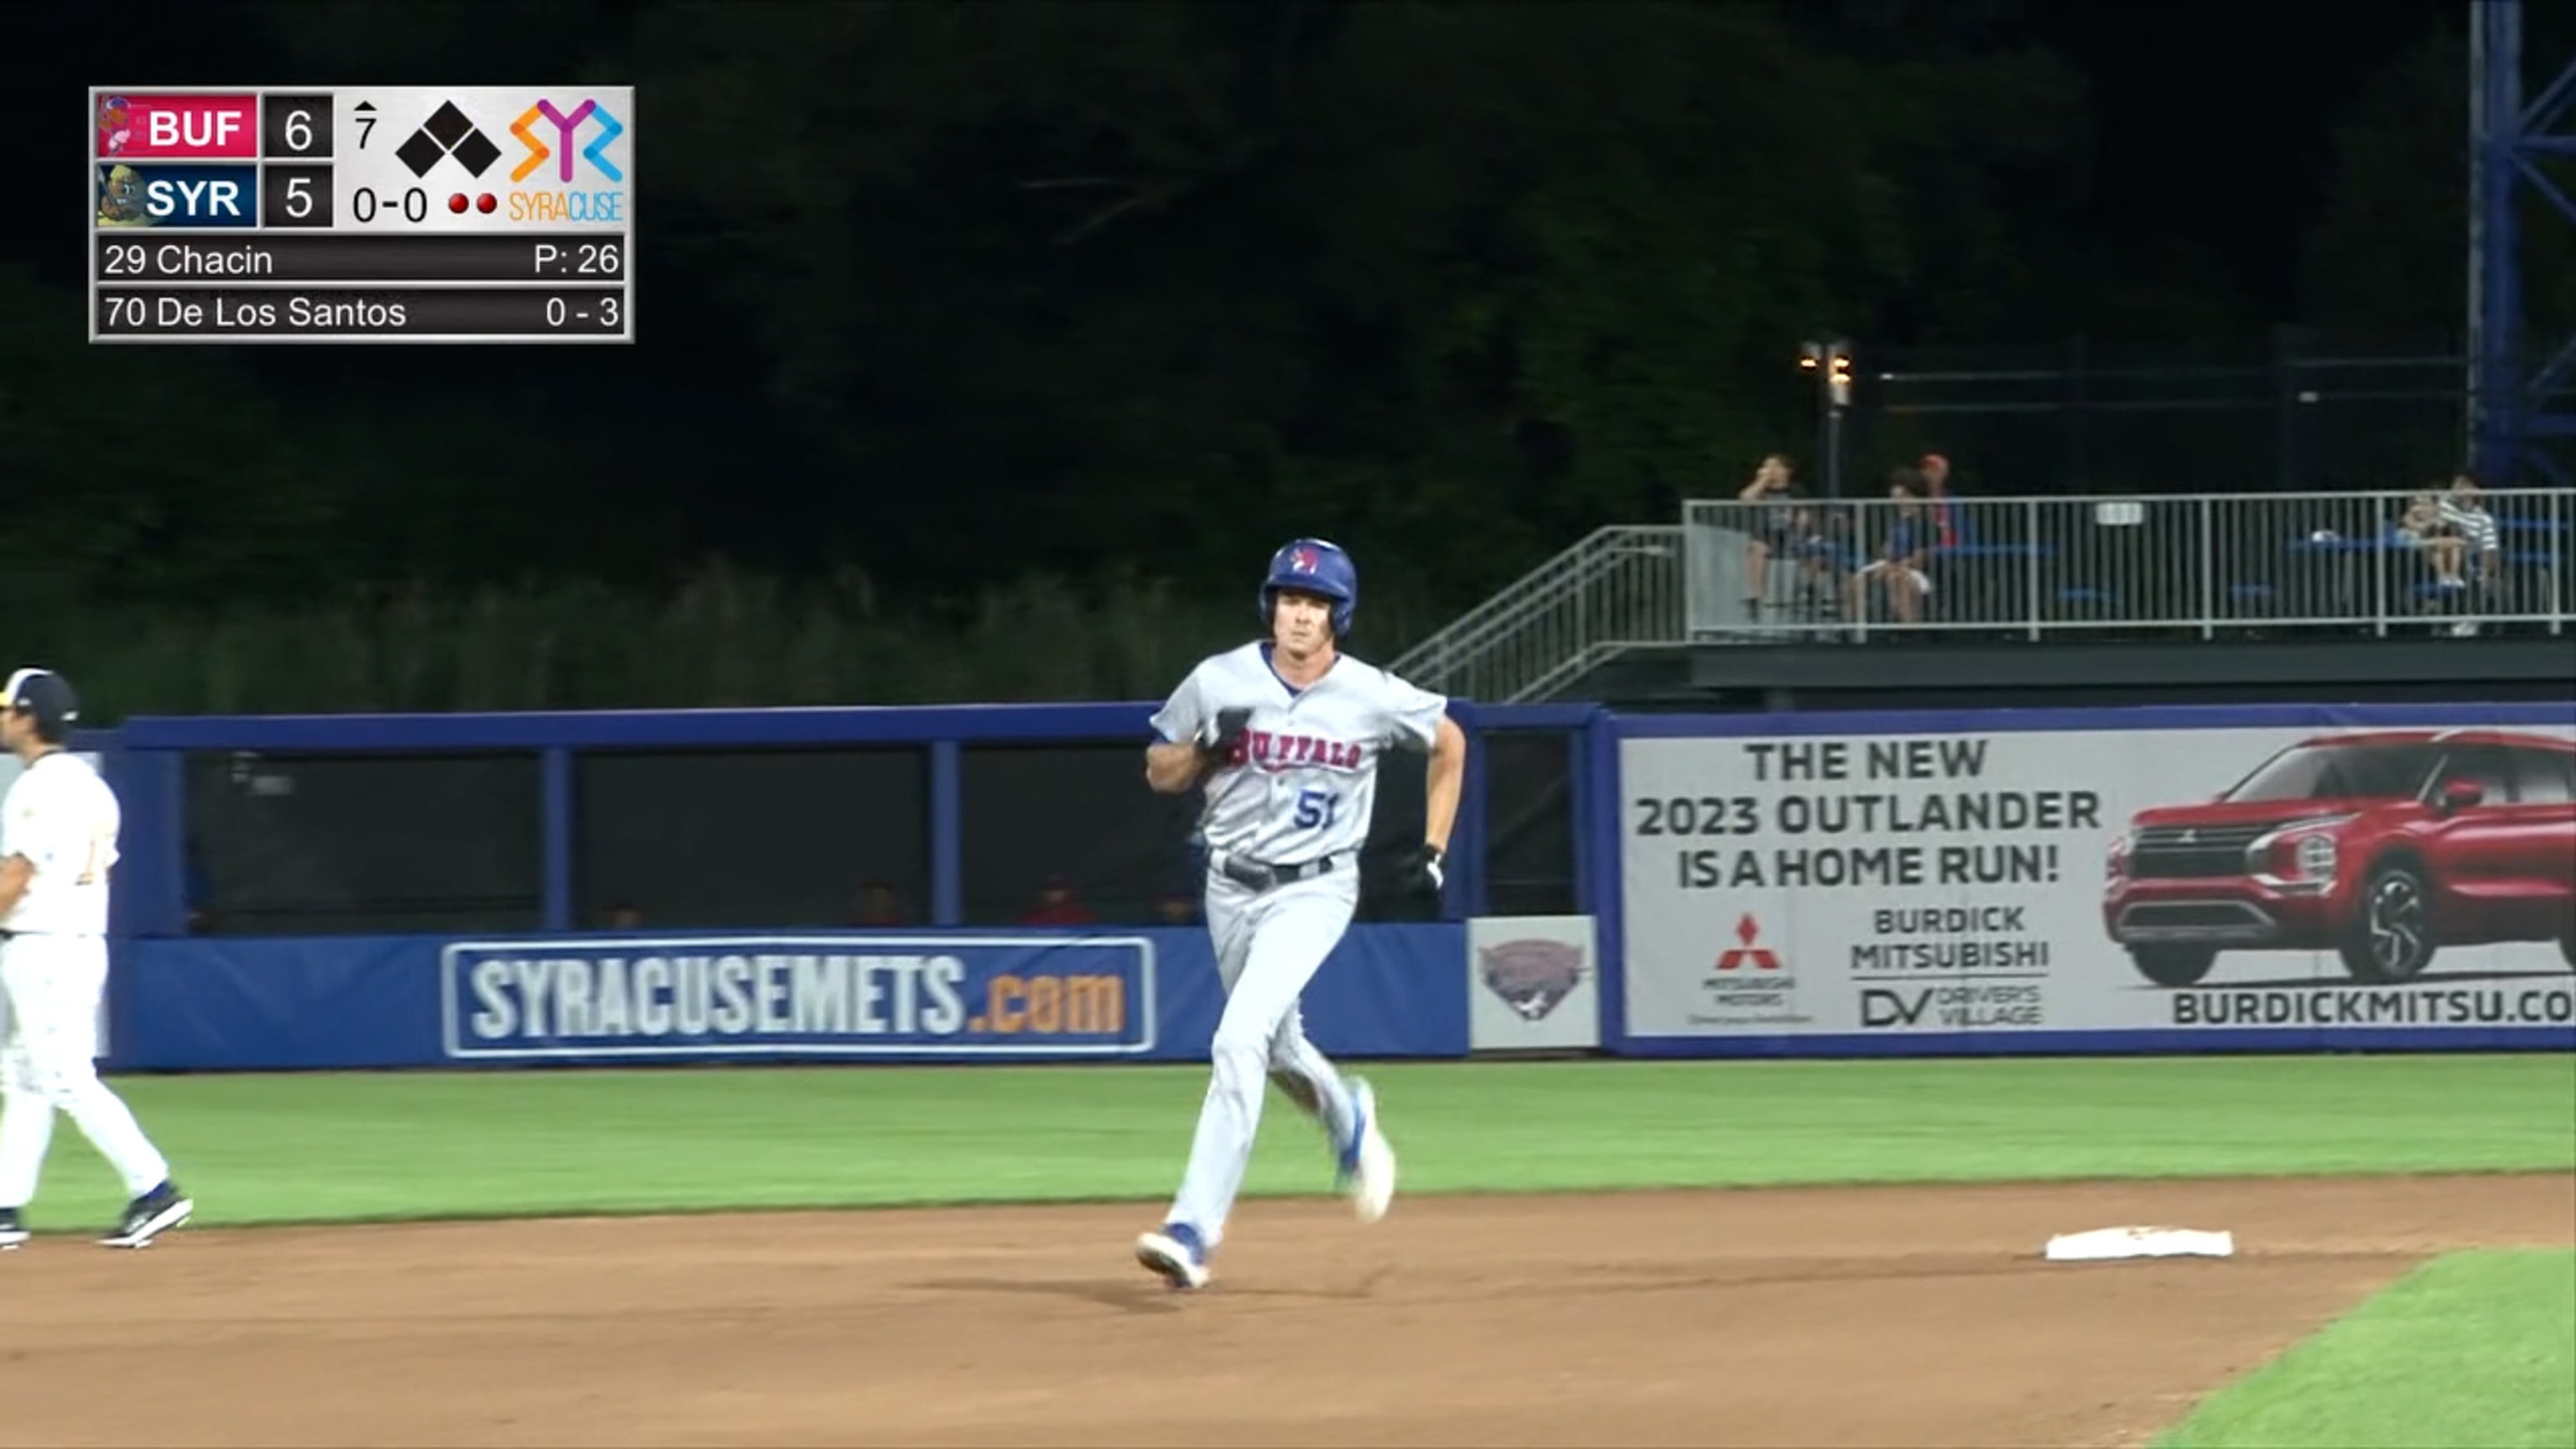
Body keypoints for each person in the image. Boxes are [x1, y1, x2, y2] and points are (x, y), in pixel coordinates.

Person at [1131, 538, 1467, 1291]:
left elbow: (1449, 740)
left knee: (1238, 1039)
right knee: (1278, 1051)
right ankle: (1347, 1118)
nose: (1300, 614)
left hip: (1314, 890)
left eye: (1315, 603)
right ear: (1270, 606)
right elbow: (1159, 770)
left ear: (1337, 616)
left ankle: (1193, 1229)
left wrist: (1435, 844)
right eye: (1289, 598)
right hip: (1228, 885)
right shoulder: (1220, 679)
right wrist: (1202, 756)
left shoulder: (1370, 693)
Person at [0, 668, 193, 1251]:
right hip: (76, 941)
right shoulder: (90, 785)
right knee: (29, 1078)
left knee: (65, 1078)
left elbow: (16, 873)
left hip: (46, 944)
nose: (3, 717)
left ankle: (153, 1187)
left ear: (30, 717)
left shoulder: (37, 788)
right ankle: (6, 1207)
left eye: (9, 708)